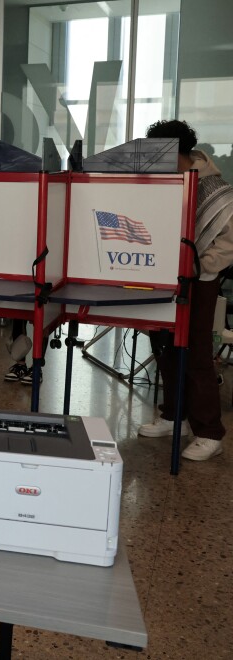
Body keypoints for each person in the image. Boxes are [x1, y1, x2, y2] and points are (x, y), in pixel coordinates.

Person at [138, 119, 233, 461]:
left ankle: (209, 432)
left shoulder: (216, 190)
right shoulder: (163, 181)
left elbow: (227, 245)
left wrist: (198, 265)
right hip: (161, 275)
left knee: (195, 352)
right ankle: (173, 416)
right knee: (164, 346)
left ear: (180, 152)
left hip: (199, 281)